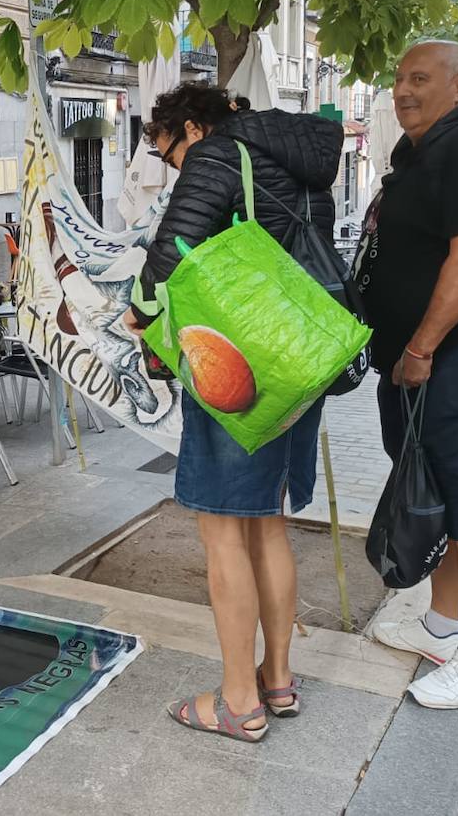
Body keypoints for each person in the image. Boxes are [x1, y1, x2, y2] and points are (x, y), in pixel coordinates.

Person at [121, 83, 343, 742]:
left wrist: (139, 314)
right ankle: (276, 677)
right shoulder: (303, 162)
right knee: (269, 525)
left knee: (223, 532)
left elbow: (170, 253)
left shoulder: (216, 157)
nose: (172, 168)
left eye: (168, 156)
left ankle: (239, 700)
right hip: (299, 358)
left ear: (192, 127)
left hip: (238, 365)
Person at [358, 40, 458, 710]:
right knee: (439, 496)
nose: (403, 89)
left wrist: (421, 346)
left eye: (419, 77)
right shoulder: (421, 154)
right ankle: (442, 622)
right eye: (398, 77)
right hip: (420, 368)